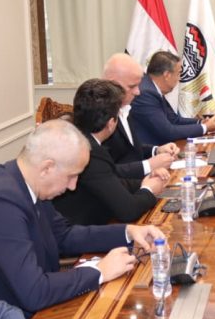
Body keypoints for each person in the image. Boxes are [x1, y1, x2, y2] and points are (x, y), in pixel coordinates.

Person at [0, 120, 164, 318]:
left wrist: (128, 232)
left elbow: (64, 235)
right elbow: (34, 292)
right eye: (71, 176)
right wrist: (99, 271)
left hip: (42, 304)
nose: (73, 186)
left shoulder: (27, 182)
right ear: (47, 168)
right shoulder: (0, 202)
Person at [53, 79, 168, 225]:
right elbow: (129, 211)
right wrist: (149, 190)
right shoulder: (91, 151)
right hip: (81, 230)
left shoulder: (76, 138)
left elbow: (110, 181)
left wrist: (145, 181)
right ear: (111, 123)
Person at [102, 52, 179, 179]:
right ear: (113, 84)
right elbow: (104, 171)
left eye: (138, 85)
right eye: (132, 86)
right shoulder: (100, 116)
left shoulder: (125, 108)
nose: (138, 92)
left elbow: (131, 149)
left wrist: (157, 150)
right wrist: (148, 165)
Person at [130, 51, 215, 144]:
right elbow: (168, 132)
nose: (179, 79)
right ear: (167, 75)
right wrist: (205, 127)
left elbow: (174, 120)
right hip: (150, 151)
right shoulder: (147, 93)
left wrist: (201, 122)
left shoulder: (152, 88)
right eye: (179, 74)